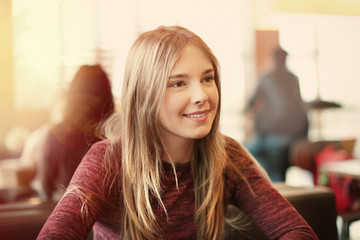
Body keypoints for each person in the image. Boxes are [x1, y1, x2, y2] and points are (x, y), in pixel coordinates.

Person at [37, 26, 318, 239]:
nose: (202, 95)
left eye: (207, 78)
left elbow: (294, 230)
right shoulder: (107, 160)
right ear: (144, 95)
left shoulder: (227, 155)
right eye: (178, 83)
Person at [20, 64, 114, 201]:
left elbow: (46, 189)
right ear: (107, 96)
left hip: (62, 208)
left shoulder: (54, 135)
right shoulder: (115, 136)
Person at [245, 47, 309, 182]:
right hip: (299, 135)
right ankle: (272, 178)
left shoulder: (266, 78)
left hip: (273, 135)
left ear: (273, 59)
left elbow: (250, 103)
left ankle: (267, 181)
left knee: (245, 151)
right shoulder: (293, 78)